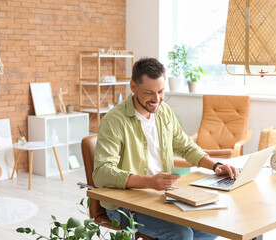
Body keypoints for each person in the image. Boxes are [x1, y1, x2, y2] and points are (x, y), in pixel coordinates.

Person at [93, 58, 239, 240]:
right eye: (149, 93)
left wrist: (215, 165)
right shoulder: (114, 121)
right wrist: (149, 182)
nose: (156, 99)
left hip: (160, 198)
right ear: (133, 86)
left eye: (161, 91)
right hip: (125, 206)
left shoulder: (164, 112)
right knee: (182, 235)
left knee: (209, 227)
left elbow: (186, 146)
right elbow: (101, 174)